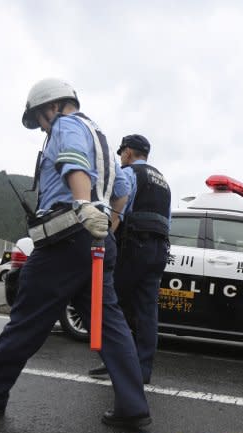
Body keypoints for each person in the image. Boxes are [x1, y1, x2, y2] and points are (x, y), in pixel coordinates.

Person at [0, 78, 151, 428]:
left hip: (65, 237)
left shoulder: (66, 125)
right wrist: (105, 224)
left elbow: (73, 163)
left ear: (50, 107)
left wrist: (82, 204)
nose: (44, 127)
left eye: (41, 119)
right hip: (100, 239)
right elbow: (123, 189)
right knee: (109, 324)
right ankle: (133, 406)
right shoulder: (100, 137)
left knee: (27, 318)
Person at [88, 134, 171, 385]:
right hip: (158, 249)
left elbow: (118, 212)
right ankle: (143, 370)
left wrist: (102, 239)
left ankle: (115, 362)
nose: (120, 157)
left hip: (134, 247)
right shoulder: (163, 181)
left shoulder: (129, 174)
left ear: (128, 153)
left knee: (116, 306)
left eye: (121, 152)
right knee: (147, 311)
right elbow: (168, 220)